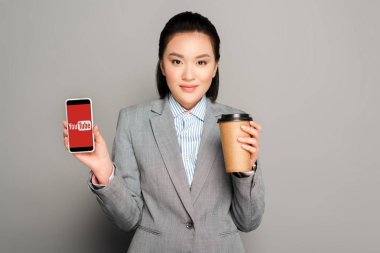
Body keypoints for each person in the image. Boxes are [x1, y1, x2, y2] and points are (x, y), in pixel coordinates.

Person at [62, 11, 265, 253]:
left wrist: (246, 174)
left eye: (201, 62)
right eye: (177, 61)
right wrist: (105, 172)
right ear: (162, 65)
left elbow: (249, 221)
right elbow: (128, 219)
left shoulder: (235, 122)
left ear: (214, 68)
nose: (189, 75)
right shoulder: (132, 120)